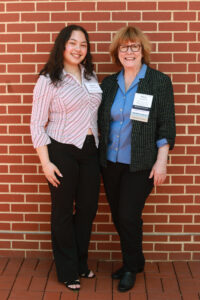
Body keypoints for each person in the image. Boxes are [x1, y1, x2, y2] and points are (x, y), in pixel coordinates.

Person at [98, 26, 176, 292]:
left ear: (143, 51)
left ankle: (131, 267)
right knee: (120, 218)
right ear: (116, 53)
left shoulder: (158, 82)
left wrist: (162, 160)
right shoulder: (109, 84)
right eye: (123, 47)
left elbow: (166, 124)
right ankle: (136, 259)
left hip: (141, 163)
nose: (129, 52)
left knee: (128, 215)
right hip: (110, 162)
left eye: (134, 47)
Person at [30, 25, 102, 291]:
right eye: (73, 43)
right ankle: (67, 270)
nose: (78, 49)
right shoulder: (48, 79)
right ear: (62, 45)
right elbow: (37, 123)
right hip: (60, 150)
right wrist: (45, 162)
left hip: (90, 150)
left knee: (87, 210)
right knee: (62, 211)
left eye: (83, 44)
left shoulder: (91, 76)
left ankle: (81, 263)